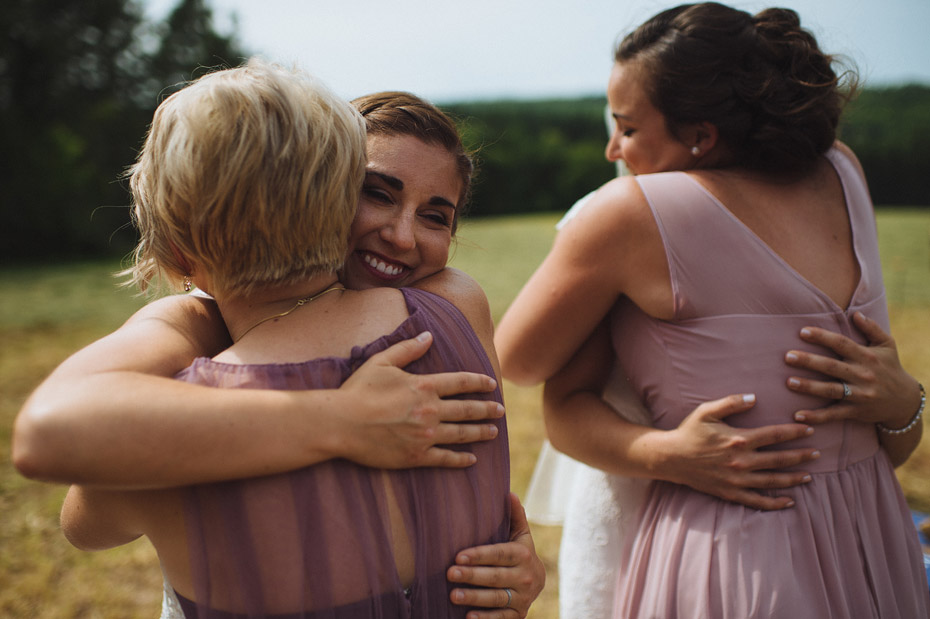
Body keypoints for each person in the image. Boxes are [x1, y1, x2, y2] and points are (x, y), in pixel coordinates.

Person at [18, 59, 525, 618]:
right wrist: (339, 419)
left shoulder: (158, 437)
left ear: (177, 254)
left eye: (435, 216)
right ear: (333, 201)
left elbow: (82, 523)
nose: (401, 237)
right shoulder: (454, 307)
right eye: (377, 194)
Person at [496, 3, 928, 617]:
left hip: (739, 549)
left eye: (627, 127)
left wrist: (903, 400)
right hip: (877, 535)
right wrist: (907, 403)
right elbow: (891, 446)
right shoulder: (843, 170)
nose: (611, 148)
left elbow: (517, 356)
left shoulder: (629, 212)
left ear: (701, 135)